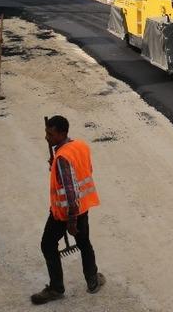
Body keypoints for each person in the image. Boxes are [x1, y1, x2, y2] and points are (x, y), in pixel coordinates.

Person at [32, 115, 105, 305]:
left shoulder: (63, 157)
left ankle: (56, 288)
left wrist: (71, 221)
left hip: (65, 213)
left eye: (50, 134)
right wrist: (55, 165)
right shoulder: (80, 146)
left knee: (47, 245)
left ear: (62, 134)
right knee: (84, 243)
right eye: (46, 133)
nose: (46, 137)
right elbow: (85, 170)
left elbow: (71, 190)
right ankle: (93, 281)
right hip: (83, 207)